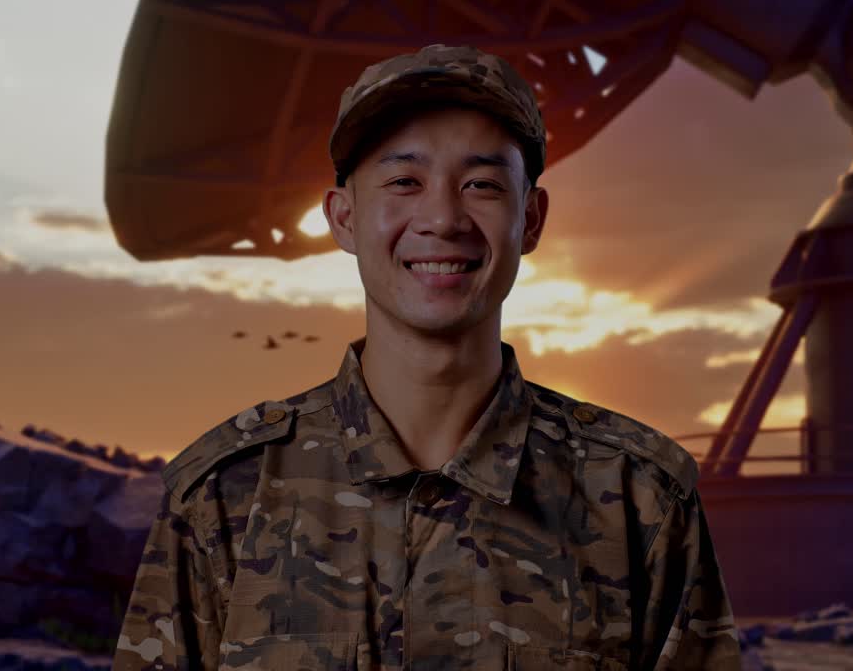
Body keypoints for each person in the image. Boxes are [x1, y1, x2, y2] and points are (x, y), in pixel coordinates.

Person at [112, 44, 741, 671]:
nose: (442, 218)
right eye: (404, 182)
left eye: (482, 185)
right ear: (343, 218)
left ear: (531, 219)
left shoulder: (638, 501)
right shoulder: (223, 499)